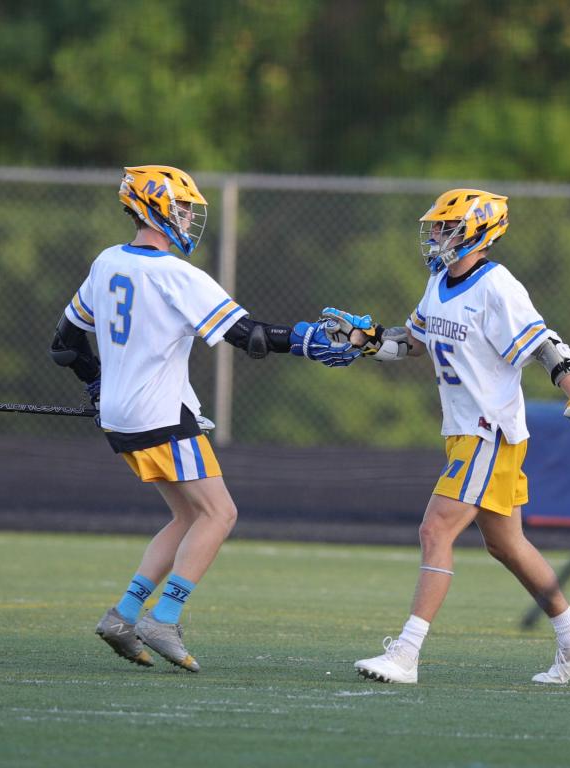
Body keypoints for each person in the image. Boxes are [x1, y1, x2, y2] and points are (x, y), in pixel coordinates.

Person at [49, 164, 356, 671]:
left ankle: (124, 615)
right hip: (162, 416)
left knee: (190, 515)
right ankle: (163, 617)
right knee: (221, 514)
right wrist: (310, 342)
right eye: (184, 207)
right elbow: (248, 335)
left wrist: (98, 385)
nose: (189, 218)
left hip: (121, 419)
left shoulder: (106, 262)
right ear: (155, 206)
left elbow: (64, 345)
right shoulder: (176, 275)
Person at [322, 188, 570, 684]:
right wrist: (368, 342)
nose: (436, 236)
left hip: (489, 431)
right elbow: (412, 343)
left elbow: (545, 345)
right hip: (461, 432)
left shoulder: (497, 285)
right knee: (507, 545)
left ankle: (406, 654)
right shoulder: (437, 280)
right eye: (436, 227)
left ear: (477, 232)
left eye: (446, 227)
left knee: (435, 530)